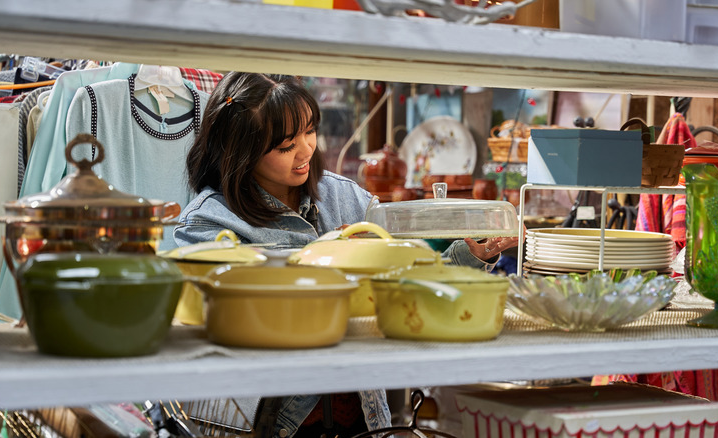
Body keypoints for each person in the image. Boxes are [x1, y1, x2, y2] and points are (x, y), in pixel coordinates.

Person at [174, 72, 518, 437]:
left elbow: (397, 288)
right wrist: (320, 255)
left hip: (361, 418)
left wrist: (466, 256)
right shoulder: (208, 221)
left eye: (309, 131)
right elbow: (233, 319)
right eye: (285, 146)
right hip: (270, 420)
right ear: (239, 151)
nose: (306, 150)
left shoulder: (349, 199)